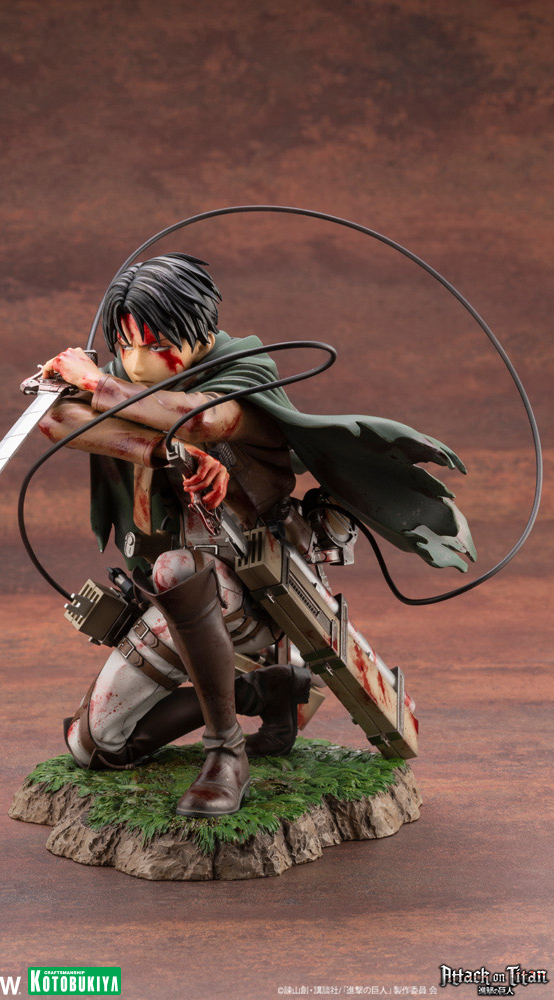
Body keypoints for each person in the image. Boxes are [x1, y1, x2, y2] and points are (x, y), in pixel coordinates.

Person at [39, 253, 475, 818]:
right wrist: (169, 452)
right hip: (169, 601)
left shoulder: (244, 372)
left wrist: (98, 383)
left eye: (156, 344)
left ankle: (226, 751)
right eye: (124, 345)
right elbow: (56, 420)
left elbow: (200, 419)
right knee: (94, 747)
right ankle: (265, 691)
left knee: (178, 568)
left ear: (199, 331)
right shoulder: (131, 383)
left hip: (251, 588)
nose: (137, 362)